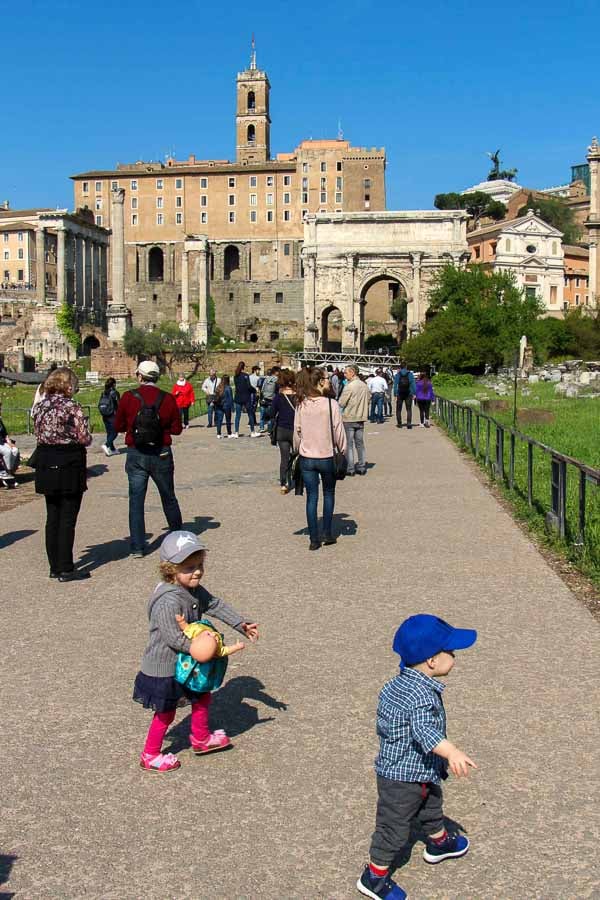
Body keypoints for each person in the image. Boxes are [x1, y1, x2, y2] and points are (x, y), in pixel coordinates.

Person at [357, 614, 477, 900]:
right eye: (450, 651)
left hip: (420, 769)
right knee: (393, 828)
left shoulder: (397, 684)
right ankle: (373, 877)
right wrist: (452, 752)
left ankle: (439, 843)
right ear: (432, 661)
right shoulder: (420, 695)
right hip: (400, 778)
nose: (454, 655)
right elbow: (424, 730)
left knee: (431, 805)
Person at [133, 530, 259, 774]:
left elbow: (213, 604)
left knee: (202, 696)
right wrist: (203, 649)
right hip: (166, 666)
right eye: (189, 567)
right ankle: (150, 754)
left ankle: (200, 738)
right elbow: (173, 638)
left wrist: (240, 624)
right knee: (165, 713)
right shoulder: (168, 600)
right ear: (170, 569)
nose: (198, 571)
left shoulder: (192, 589)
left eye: (200, 564)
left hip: (187, 662)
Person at [114, 360, 183, 558]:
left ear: (140, 376)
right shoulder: (167, 398)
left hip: (136, 453)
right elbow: (177, 429)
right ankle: (178, 539)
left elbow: (118, 425)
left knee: (136, 501)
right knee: (168, 496)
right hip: (161, 451)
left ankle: (137, 547)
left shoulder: (128, 397)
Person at [32, 367, 92, 582]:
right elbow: (84, 437)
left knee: (52, 516)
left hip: (46, 461)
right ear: (68, 386)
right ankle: (66, 567)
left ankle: (54, 566)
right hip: (68, 461)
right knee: (68, 517)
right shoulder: (71, 406)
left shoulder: (39, 406)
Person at [293, 367, 347, 551]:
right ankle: (327, 532)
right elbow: (339, 431)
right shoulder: (331, 404)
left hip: (307, 457)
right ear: (320, 382)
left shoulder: (302, 404)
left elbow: (297, 432)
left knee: (311, 498)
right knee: (329, 493)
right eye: (326, 378)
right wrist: (343, 451)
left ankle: (314, 539)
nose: (328, 380)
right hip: (326, 456)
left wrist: (298, 449)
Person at [339, 365, 370, 476]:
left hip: (349, 417)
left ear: (352, 373)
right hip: (361, 417)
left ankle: (350, 468)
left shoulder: (349, 386)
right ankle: (361, 466)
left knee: (349, 444)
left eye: (346, 372)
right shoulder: (364, 385)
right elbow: (368, 399)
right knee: (360, 443)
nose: (344, 374)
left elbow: (341, 402)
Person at [270, 369, 296, 494]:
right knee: (298, 455)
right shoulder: (298, 396)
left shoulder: (278, 397)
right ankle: (298, 478)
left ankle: (284, 483)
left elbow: (271, 413)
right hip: (295, 430)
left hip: (281, 430)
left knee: (284, 458)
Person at [232, 361, 259, 438]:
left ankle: (236, 432)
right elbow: (249, 386)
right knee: (250, 414)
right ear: (243, 367)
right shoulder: (246, 376)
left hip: (238, 397)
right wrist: (255, 390)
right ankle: (252, 431)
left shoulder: (235, 376)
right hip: (246, 397)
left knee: (237, 416)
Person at [98, 377, 120, 456]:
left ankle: (112, 449)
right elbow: (118, 405)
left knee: (109, 432)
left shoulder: (103, 392)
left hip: (105, 415)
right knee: (115, 432)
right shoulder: (114, 393)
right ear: (114, 384)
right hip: (112, 415)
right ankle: (106, 445)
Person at [0, 400, 20, 488]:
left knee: (15, 450)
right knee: (7, 451)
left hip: (2, 441)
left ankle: (10, 472)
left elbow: (5, 433)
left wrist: (9, 442)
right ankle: (6, 473)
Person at [393, 361, 416, 429]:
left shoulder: (398, 374)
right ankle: (409, 423)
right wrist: (414, 393)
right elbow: (413, 384)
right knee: (409, 409)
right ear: (406, 366)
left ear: (400, 367)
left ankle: (399, 424)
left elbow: (395, 385)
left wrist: (395, 394)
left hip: (400, 393)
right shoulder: (410, 374)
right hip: (408, 393)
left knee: (398, 409)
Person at [259, 365, 280, 433]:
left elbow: (262, 389)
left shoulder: (266, 379)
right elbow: (278, 390)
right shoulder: (277, 379)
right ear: (276, 372)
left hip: (265, 399)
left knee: (263, 415)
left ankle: (261, 427)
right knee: (271, 416)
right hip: (272, 399)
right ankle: (270, 430)